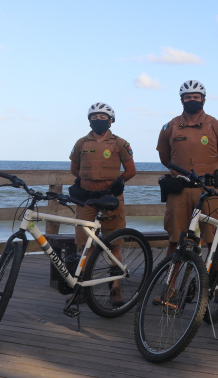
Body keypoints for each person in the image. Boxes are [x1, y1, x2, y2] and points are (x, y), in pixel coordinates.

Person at [157, 80, 218, 255]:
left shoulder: (216, 125)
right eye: (188, 97)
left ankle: (217, 279)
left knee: (213, 240)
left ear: (203, 100)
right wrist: (179, 172)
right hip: (179, 191)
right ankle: (172, 281)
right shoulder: (170, 127)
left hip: (208, 190)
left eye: (196, 97)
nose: (192, 99)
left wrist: (210, 172)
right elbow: (164, 157)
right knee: (175, 240)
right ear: (182, 100)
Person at [69, 102, 136, 303]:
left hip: (111, 199)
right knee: (84, 245)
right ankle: (81, 287)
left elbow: (131, 170)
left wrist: (119, 182)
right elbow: (75, 169)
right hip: (86, 199)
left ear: (111, 120)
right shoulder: (81, 143)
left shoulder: (120, 144)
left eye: (103, 117)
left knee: (113, 244)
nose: (99, 120)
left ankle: (115, 288)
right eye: (95, 117)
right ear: (89, 120)